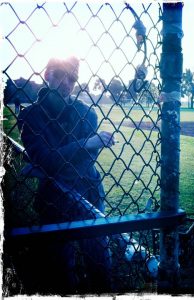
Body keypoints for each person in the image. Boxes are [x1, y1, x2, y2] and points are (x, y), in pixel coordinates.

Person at [17, 56, 114, 294]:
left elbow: (59, 162)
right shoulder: (30, 116)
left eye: (72, 78)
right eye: (60, 75)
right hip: (55, 201)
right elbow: (48, 159)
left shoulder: (86, 113)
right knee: (62, 273)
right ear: (47, 74)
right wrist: (87, 143)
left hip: (89, 195)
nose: (66, 83)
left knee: (99, 262)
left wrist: (50, 164)